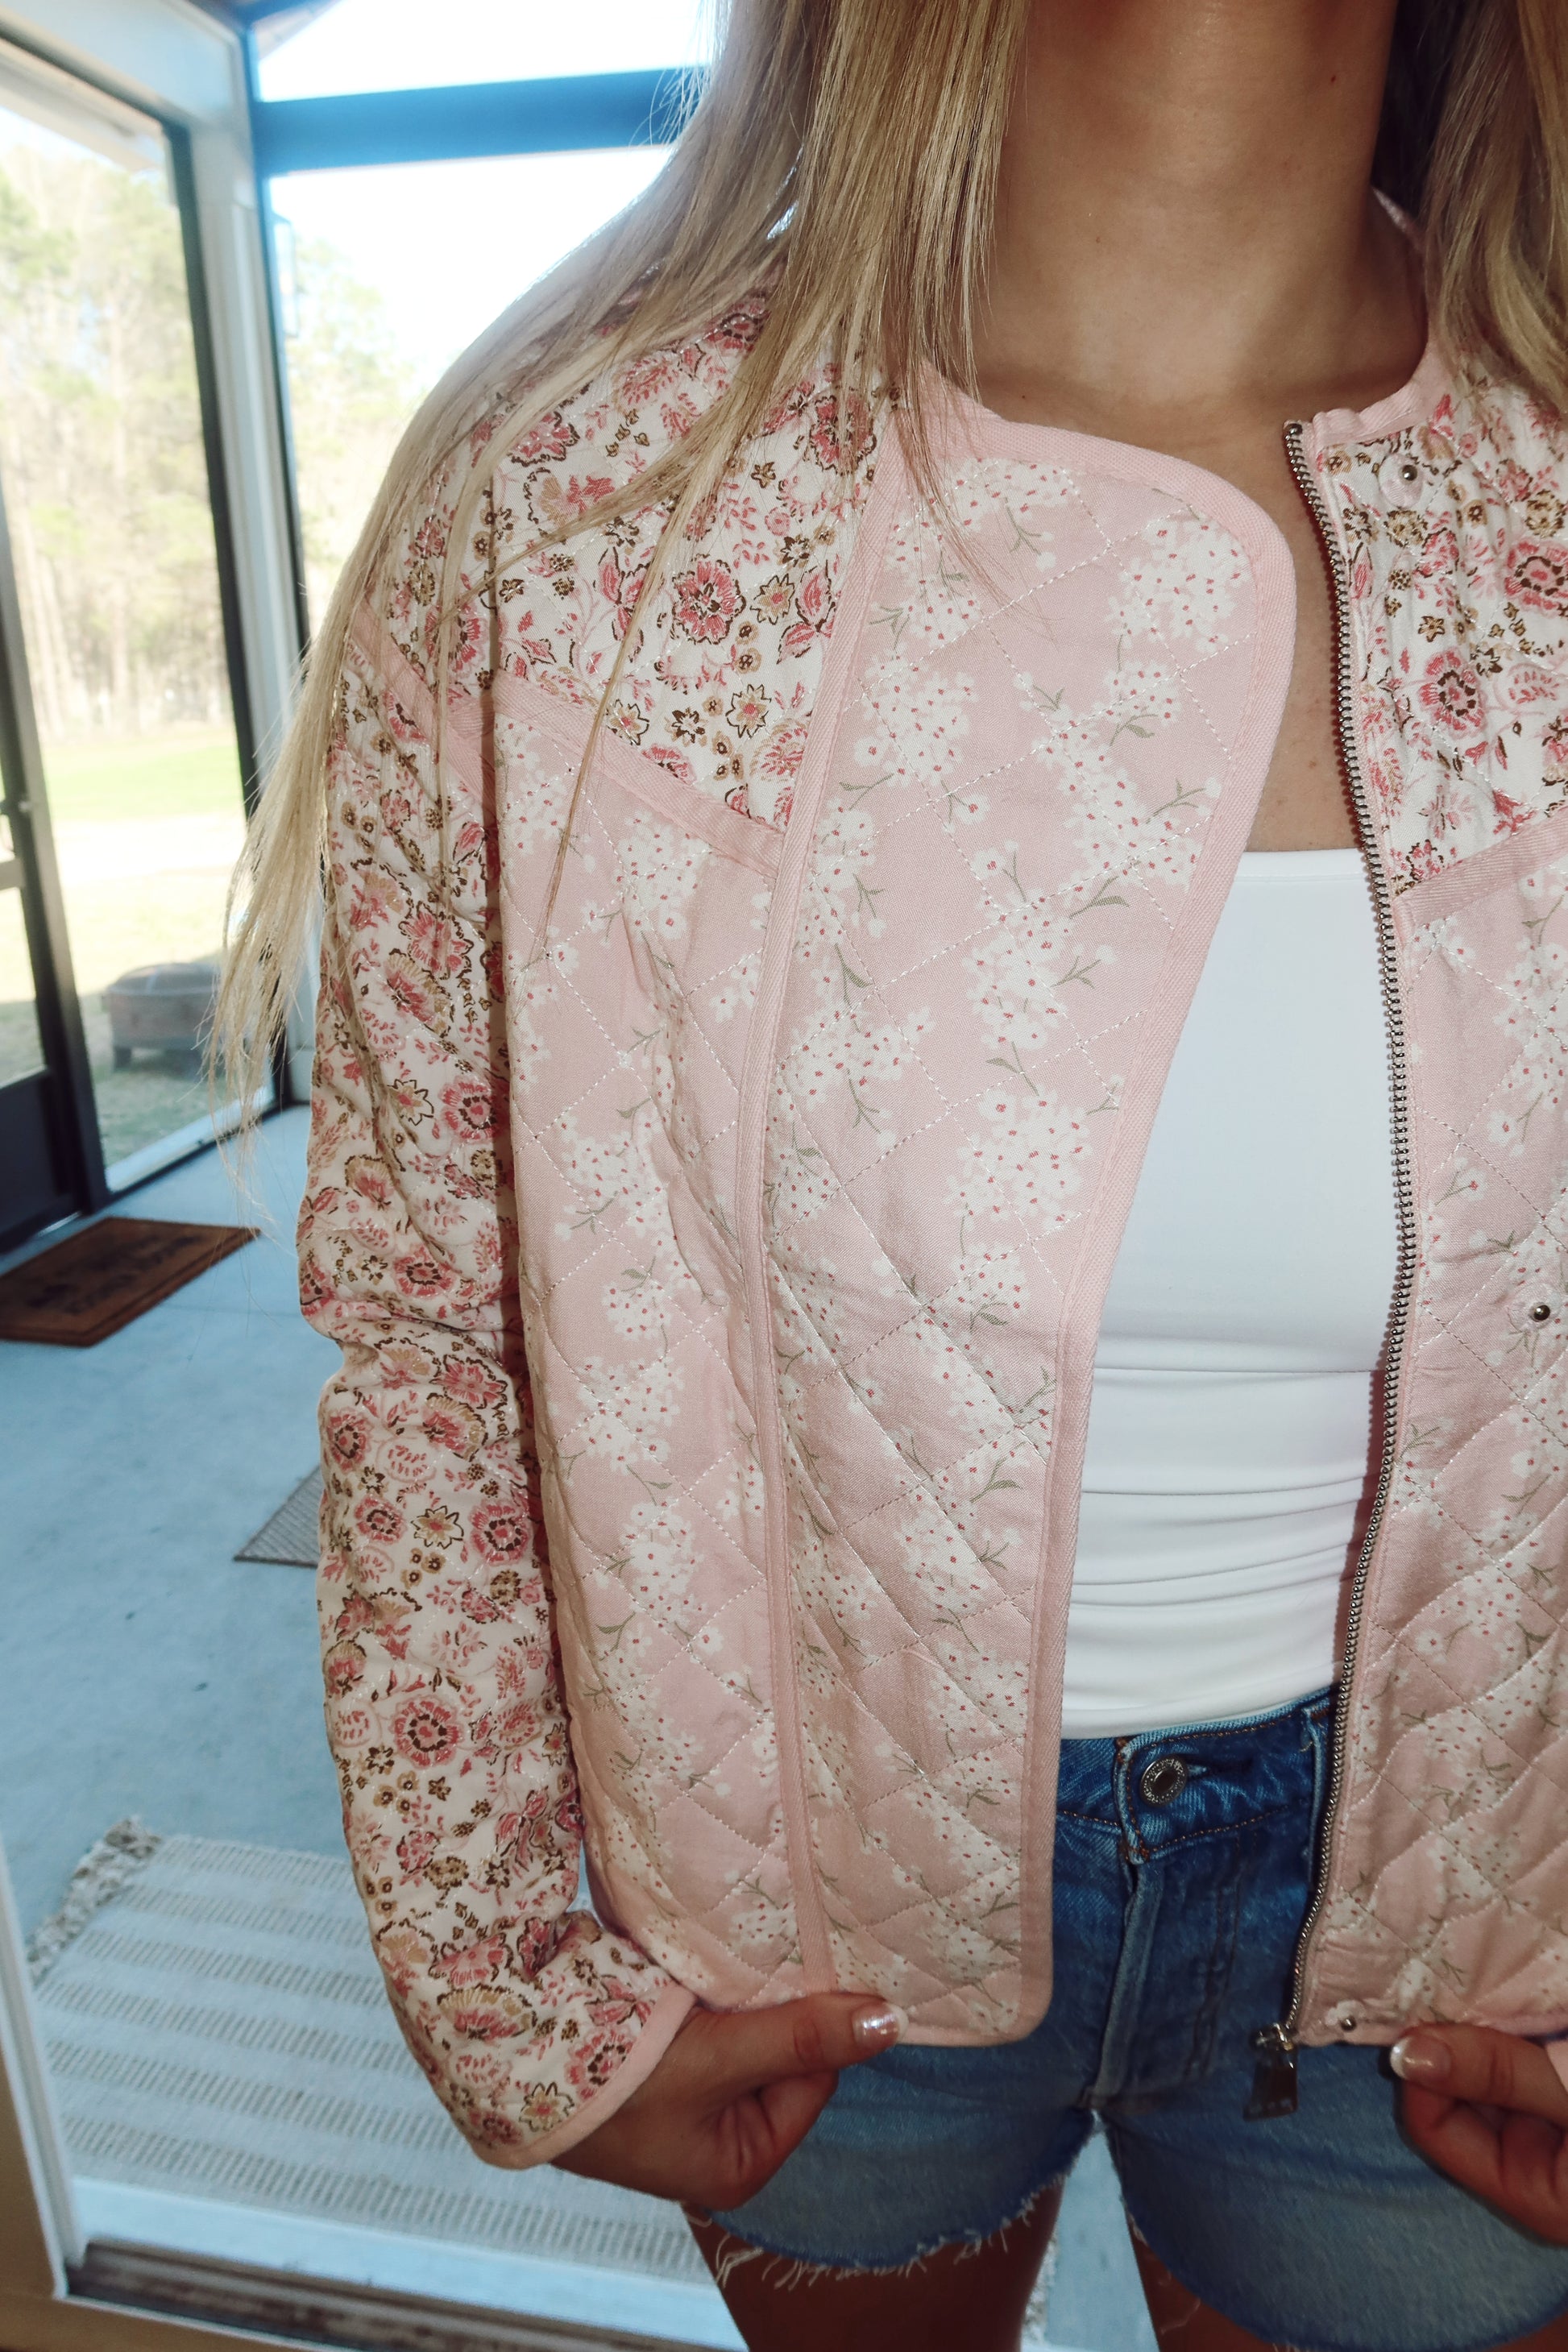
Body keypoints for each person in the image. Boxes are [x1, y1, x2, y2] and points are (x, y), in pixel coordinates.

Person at [221, 1, 1568, 2344]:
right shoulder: (590, 501)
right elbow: (438, 1312)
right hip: (796, 1914)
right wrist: (509, 1972)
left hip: (1482, 1953)